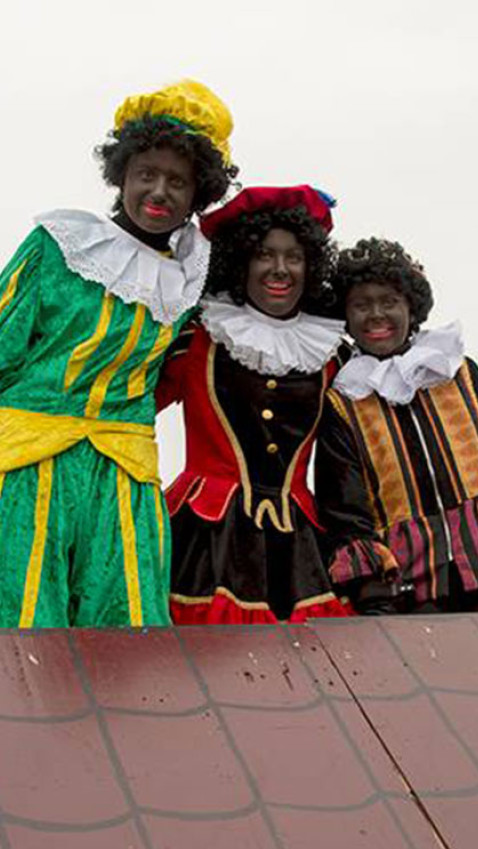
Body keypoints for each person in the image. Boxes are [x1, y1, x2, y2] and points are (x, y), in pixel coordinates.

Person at [0, 80, 238, 629]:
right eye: (146, 174)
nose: (159, 191)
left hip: (123, 479)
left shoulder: (192, 280)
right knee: (11, 631)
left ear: (199, 194)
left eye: (178, 181)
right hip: (24, 470)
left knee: (128, 646)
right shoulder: (58, 246)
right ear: (121, 175)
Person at [315, 238, 478, 614]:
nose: (376, 314)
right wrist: (371, 589)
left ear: (411, 308)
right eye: (361, 305)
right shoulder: (343, 402)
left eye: (389, 302)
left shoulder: (457, 373)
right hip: (403, 587)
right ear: (346, 317)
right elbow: (344, 509)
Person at [158, 185, 354, 623]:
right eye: (265, 254)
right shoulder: (198, 335)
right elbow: (127, 407)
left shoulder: (332, 354)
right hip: (202, 536)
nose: (279, 269)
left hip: (301, 548)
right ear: (242, 259)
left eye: (294, 257)